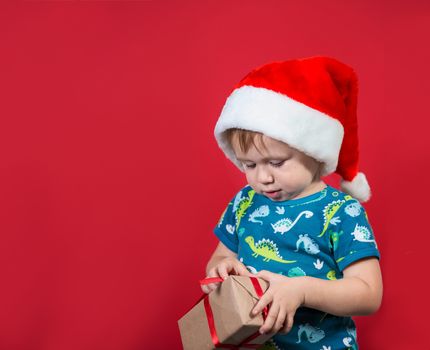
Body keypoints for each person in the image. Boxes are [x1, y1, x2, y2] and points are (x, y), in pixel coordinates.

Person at [202, 56, 383, 349]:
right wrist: (223, 268)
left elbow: (368, 293)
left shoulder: (342, 212)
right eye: (248, 165)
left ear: (313, 151)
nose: (263, 177)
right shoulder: (245, 202)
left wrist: (301, 291)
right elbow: (220, 257)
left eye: (276, 162)